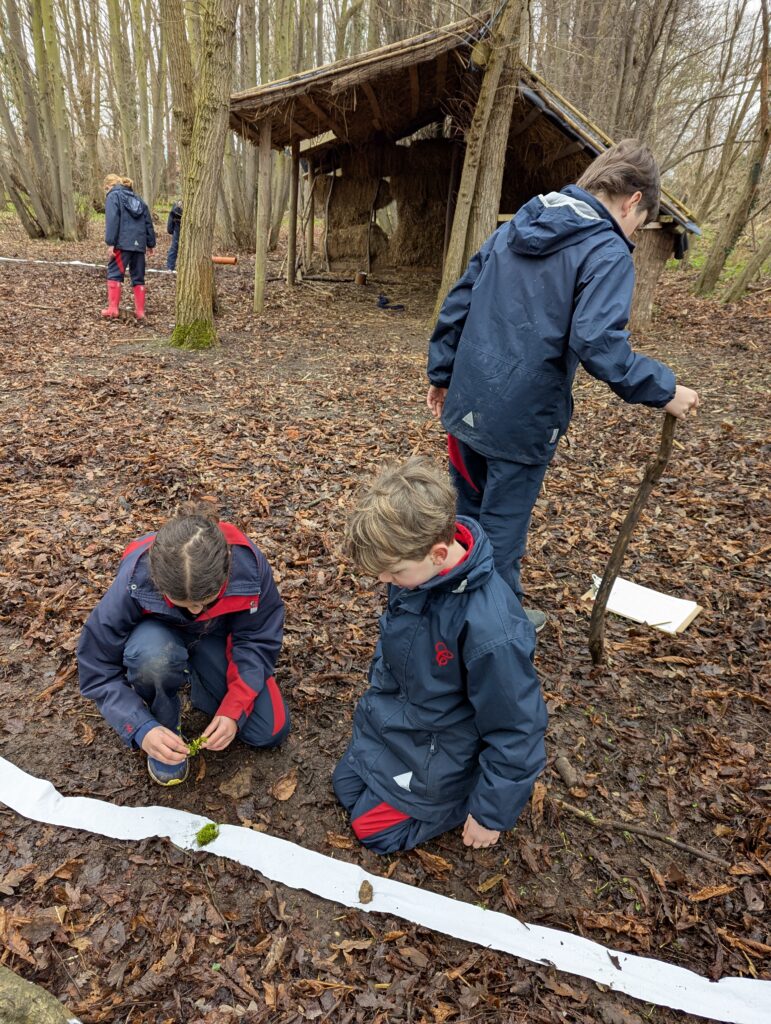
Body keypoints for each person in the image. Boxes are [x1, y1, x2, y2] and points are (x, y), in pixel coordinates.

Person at [426, 140, 700, 631]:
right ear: (632, 199)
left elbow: (459, 298)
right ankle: (497, 634)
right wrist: (664, 388)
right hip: (522, 420)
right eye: (641, 221)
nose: (634, 232)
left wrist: (442, 373)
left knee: (467, 516)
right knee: (500, 532)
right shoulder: (607, 249)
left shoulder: (519, 225)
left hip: (467, 403)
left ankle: (453, 612)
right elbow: (597, 341)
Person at [333, 458, 547, 854]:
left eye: (393, 573)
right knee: (345, 786)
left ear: (438, 552)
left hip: (443, 746)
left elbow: (518, 725)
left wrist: (490, 812)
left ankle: (460, 800)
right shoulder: (418, 576)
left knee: (371, 830)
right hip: (402, 721)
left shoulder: (490, 631)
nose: (385, 582)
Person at [77, 506, 290, 785]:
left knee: (268, 731)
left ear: (227, 565)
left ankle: (198, 678)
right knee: (153, 658)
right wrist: (141, 728)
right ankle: (163, 721)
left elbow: (256, 641)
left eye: (206, 601)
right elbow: (96, 666)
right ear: (156, 577)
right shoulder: (135, 579)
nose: (195, 610)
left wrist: (233, 710)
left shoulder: (250, 569)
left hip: (214, 638)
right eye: (184, 604)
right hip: (157, 637)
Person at [101, 174, 156, 321]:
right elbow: (147, 221)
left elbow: (112, 220)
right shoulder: (138, 198)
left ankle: (113, 309)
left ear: (109, 186)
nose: (106, 192)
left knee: (114, 273)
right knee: (138, 277)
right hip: (139, 244)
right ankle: (140, 312)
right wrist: (150, 243)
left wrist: (111, 242)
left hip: (122, 243)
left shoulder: (113, 196)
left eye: (106, 189)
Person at [166, 200, 183, 271]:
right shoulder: (176, 206)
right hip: (178, 228)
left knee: (174, 248)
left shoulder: (176, 205)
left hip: (178, 228)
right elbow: (171, 219)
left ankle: (170, 267)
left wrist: (170, 230)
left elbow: (170, 219)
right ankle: (170, 266)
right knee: (174, 248)